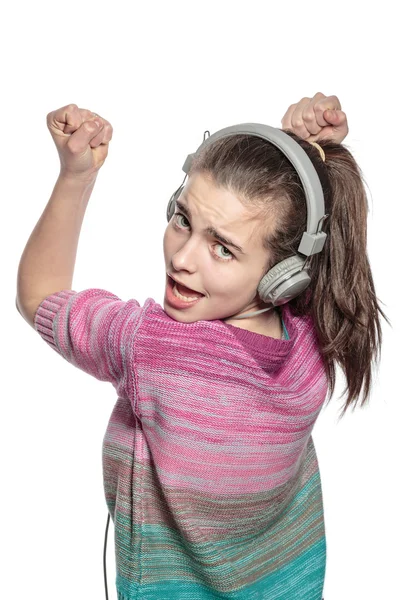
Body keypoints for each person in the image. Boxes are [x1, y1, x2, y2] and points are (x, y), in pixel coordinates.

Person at [16, 92, 388, 600]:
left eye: (223, 247)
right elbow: (321, 242)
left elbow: (38, 294)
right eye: (183, 219)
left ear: (284, 275)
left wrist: (76, 175)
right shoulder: (311, 341)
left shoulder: (154, 348)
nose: (183, 258)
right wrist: (304, 155)